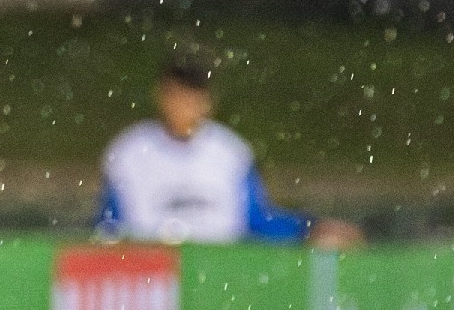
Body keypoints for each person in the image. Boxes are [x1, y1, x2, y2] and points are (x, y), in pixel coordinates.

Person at [96, 50, 361, 247]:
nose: (185, 106)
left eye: (193, 98)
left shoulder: (229, 151)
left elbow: (256, 219)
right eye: (177, 96)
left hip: (221, 272)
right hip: (152, 274)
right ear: (162, 96)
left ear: (208, 102)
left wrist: (309, 229)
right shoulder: (128, 152)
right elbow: (109, 226)